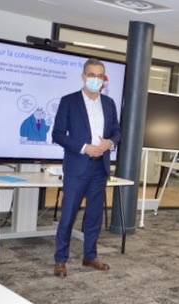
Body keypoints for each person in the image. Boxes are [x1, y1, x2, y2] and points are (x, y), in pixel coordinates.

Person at [52, 58, 121, 277]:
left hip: (99, 168)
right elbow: (58, 134)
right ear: (83, 76)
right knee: (68, 215)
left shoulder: (109, 103)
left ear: (103, 79)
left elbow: (117, 131)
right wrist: (84, 148)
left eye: (100, 76)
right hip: (77, 167)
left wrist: (109, 143)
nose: (95, 79)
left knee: (94, 215)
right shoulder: (69, 101)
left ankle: (90, 256)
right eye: (91, 75)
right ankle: (60, 260)